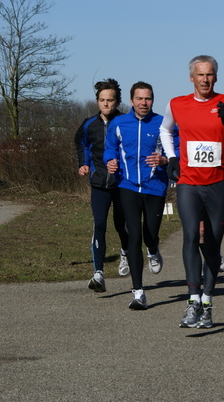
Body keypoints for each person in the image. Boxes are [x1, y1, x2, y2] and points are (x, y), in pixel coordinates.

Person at [160, 55, 224, 328]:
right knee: (190, 236)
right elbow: (165, 131)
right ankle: (192, 301)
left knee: (212, 245)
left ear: (216, 77)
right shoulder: (177, 104)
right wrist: (171, 157)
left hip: (217, 183)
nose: (205, 79)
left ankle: (207, 302)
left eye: (210, 74)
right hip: (188, 182)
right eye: (200, 75)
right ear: (191, 77)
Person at [104, 81, 168, 310]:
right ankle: (138, 292)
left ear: (152, 100)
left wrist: (164, 160)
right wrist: (110, 161)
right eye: (139, 98)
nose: (144, 103)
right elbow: (109, 147)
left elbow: (176, 149)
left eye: (148, 98)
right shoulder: (119, 123)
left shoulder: (162, 123)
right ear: (131, 101)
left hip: (155, 186)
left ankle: (153, 250)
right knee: (134, 235)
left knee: (151, 233)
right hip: (127, 185)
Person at [74, 78, 129, 293]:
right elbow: (81, 144)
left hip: (122, 183)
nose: (106, 104)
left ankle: (124, 252)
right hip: (98, 182)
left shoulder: (125, 122)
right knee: (99, 224)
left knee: (122, 225)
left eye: (110, 100)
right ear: (97, 101)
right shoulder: (89, 124)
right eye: (102, 100)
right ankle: (98, 273)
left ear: (117, 102)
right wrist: (83, 164)